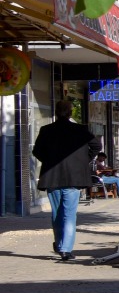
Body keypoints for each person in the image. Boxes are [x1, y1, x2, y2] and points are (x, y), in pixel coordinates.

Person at [32, 101, 96, 261]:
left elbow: (37, 150)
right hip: (74, 178)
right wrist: (83, 161)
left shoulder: (46, 130)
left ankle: (61, 245)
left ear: (56, 112)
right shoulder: (80, 130)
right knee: (69, 214)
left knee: (57, 213)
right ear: (70, 113)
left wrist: (49, 161)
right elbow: (96, 146)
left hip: (52, 177)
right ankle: (65, 249)